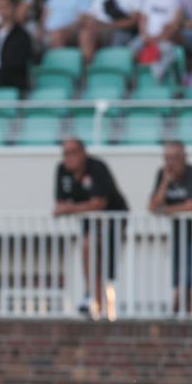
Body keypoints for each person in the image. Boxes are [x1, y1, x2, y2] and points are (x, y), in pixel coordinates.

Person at [54, 137, 129, 321]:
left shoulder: (97, 167)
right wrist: (78, 208)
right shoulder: (62, 171)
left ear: (83, 153)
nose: (68, 158)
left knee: (102, 262)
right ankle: (93, 299)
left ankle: (101, 302)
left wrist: (71, 209)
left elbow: (99, 203)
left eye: (72, 153)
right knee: (90, 250)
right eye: (65, 154)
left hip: (112, 219)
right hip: (89, 221)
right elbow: (59, 205)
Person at [148, 141, 192, 316]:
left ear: (184, 158)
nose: (171, 163)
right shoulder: (163, 175)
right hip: (179, 235)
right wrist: (164, 183)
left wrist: (166, 211)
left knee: (185, 276)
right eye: (167, 158)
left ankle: (176, 313)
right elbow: (153, 207)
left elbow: (191, 206)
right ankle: (186, 316)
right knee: (181, 280)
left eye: (175, 158)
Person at [128, 0, 182, 83]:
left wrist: (160, 37)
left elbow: (175, 23)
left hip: (165, 37)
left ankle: (158, 80)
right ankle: (133, 81)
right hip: (147, 36)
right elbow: (143, 18)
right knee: (132, 48)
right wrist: (144, 35)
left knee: (168, 52)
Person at [78, 0, 146, 63]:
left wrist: (109, 26)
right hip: (97, 26)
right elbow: (91, 14)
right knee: (82, 28)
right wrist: (83, 18)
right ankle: (86, 67)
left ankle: (89, 68)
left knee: (87, 31)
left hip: (120, 30)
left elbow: (134, 21)